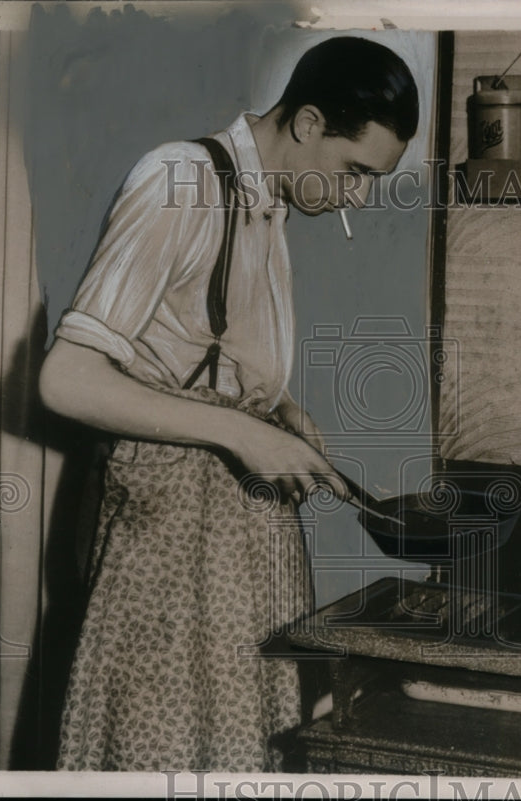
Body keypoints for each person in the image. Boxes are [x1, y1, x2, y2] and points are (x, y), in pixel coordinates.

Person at [40, 36, 419, 771]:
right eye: (356, 171)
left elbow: (189, 353)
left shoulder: (264, 204)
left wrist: (275, 409)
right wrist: (242, 436)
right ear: (308, 123)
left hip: (237, 551)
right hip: (172, 553)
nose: (361, 197)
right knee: (165, 751)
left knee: (237, 752)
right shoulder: (179, 180)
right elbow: (68, 378)